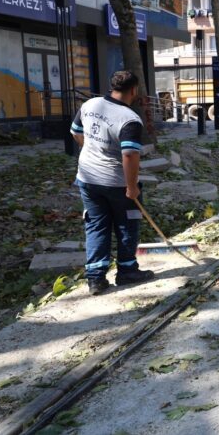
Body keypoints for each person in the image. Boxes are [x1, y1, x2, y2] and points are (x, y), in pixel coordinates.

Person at [71, 71, 154, 295]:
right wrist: (132, 187)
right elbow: (129, 155)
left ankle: (95, 278)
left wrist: (93, 150)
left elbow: (76, 133)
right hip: (116, 182)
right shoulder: (129, 119)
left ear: (113, 86)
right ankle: (127, 271)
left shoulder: (90, 104)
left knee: (96, 224)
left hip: (87, 178)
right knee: (127, 223)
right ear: (134, 90)